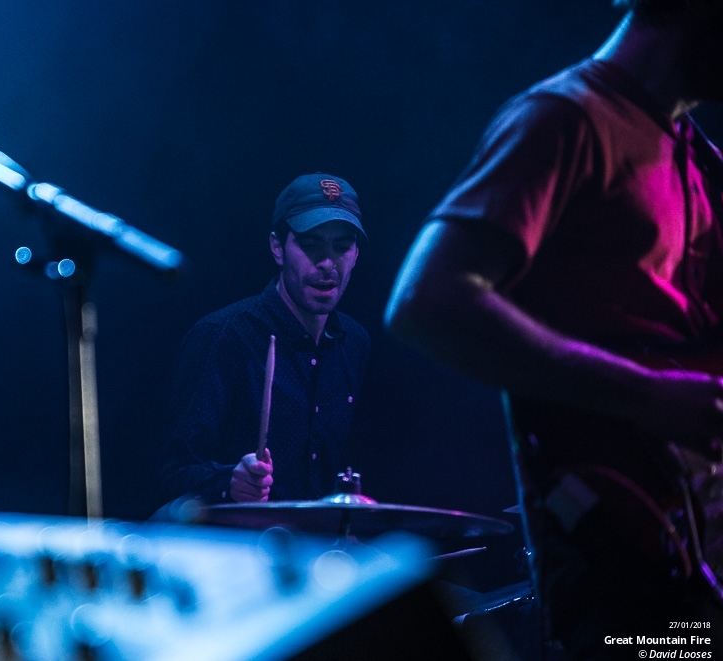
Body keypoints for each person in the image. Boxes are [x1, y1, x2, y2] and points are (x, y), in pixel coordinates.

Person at [385, 0, 723, 658]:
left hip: (697, 567)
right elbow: (425, 299)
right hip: (621, 574)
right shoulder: (567, 118)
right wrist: (648, 395)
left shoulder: (699, 160)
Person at [160, 173, 370, 506]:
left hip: (315, 554)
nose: (328, 262)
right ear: (277, 247)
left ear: (356, 254)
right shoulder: (224, 337)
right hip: (236, 552)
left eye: (341, 246)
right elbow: (175, 475)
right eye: (311, 244)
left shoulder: (354, 343)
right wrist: (230, 481)